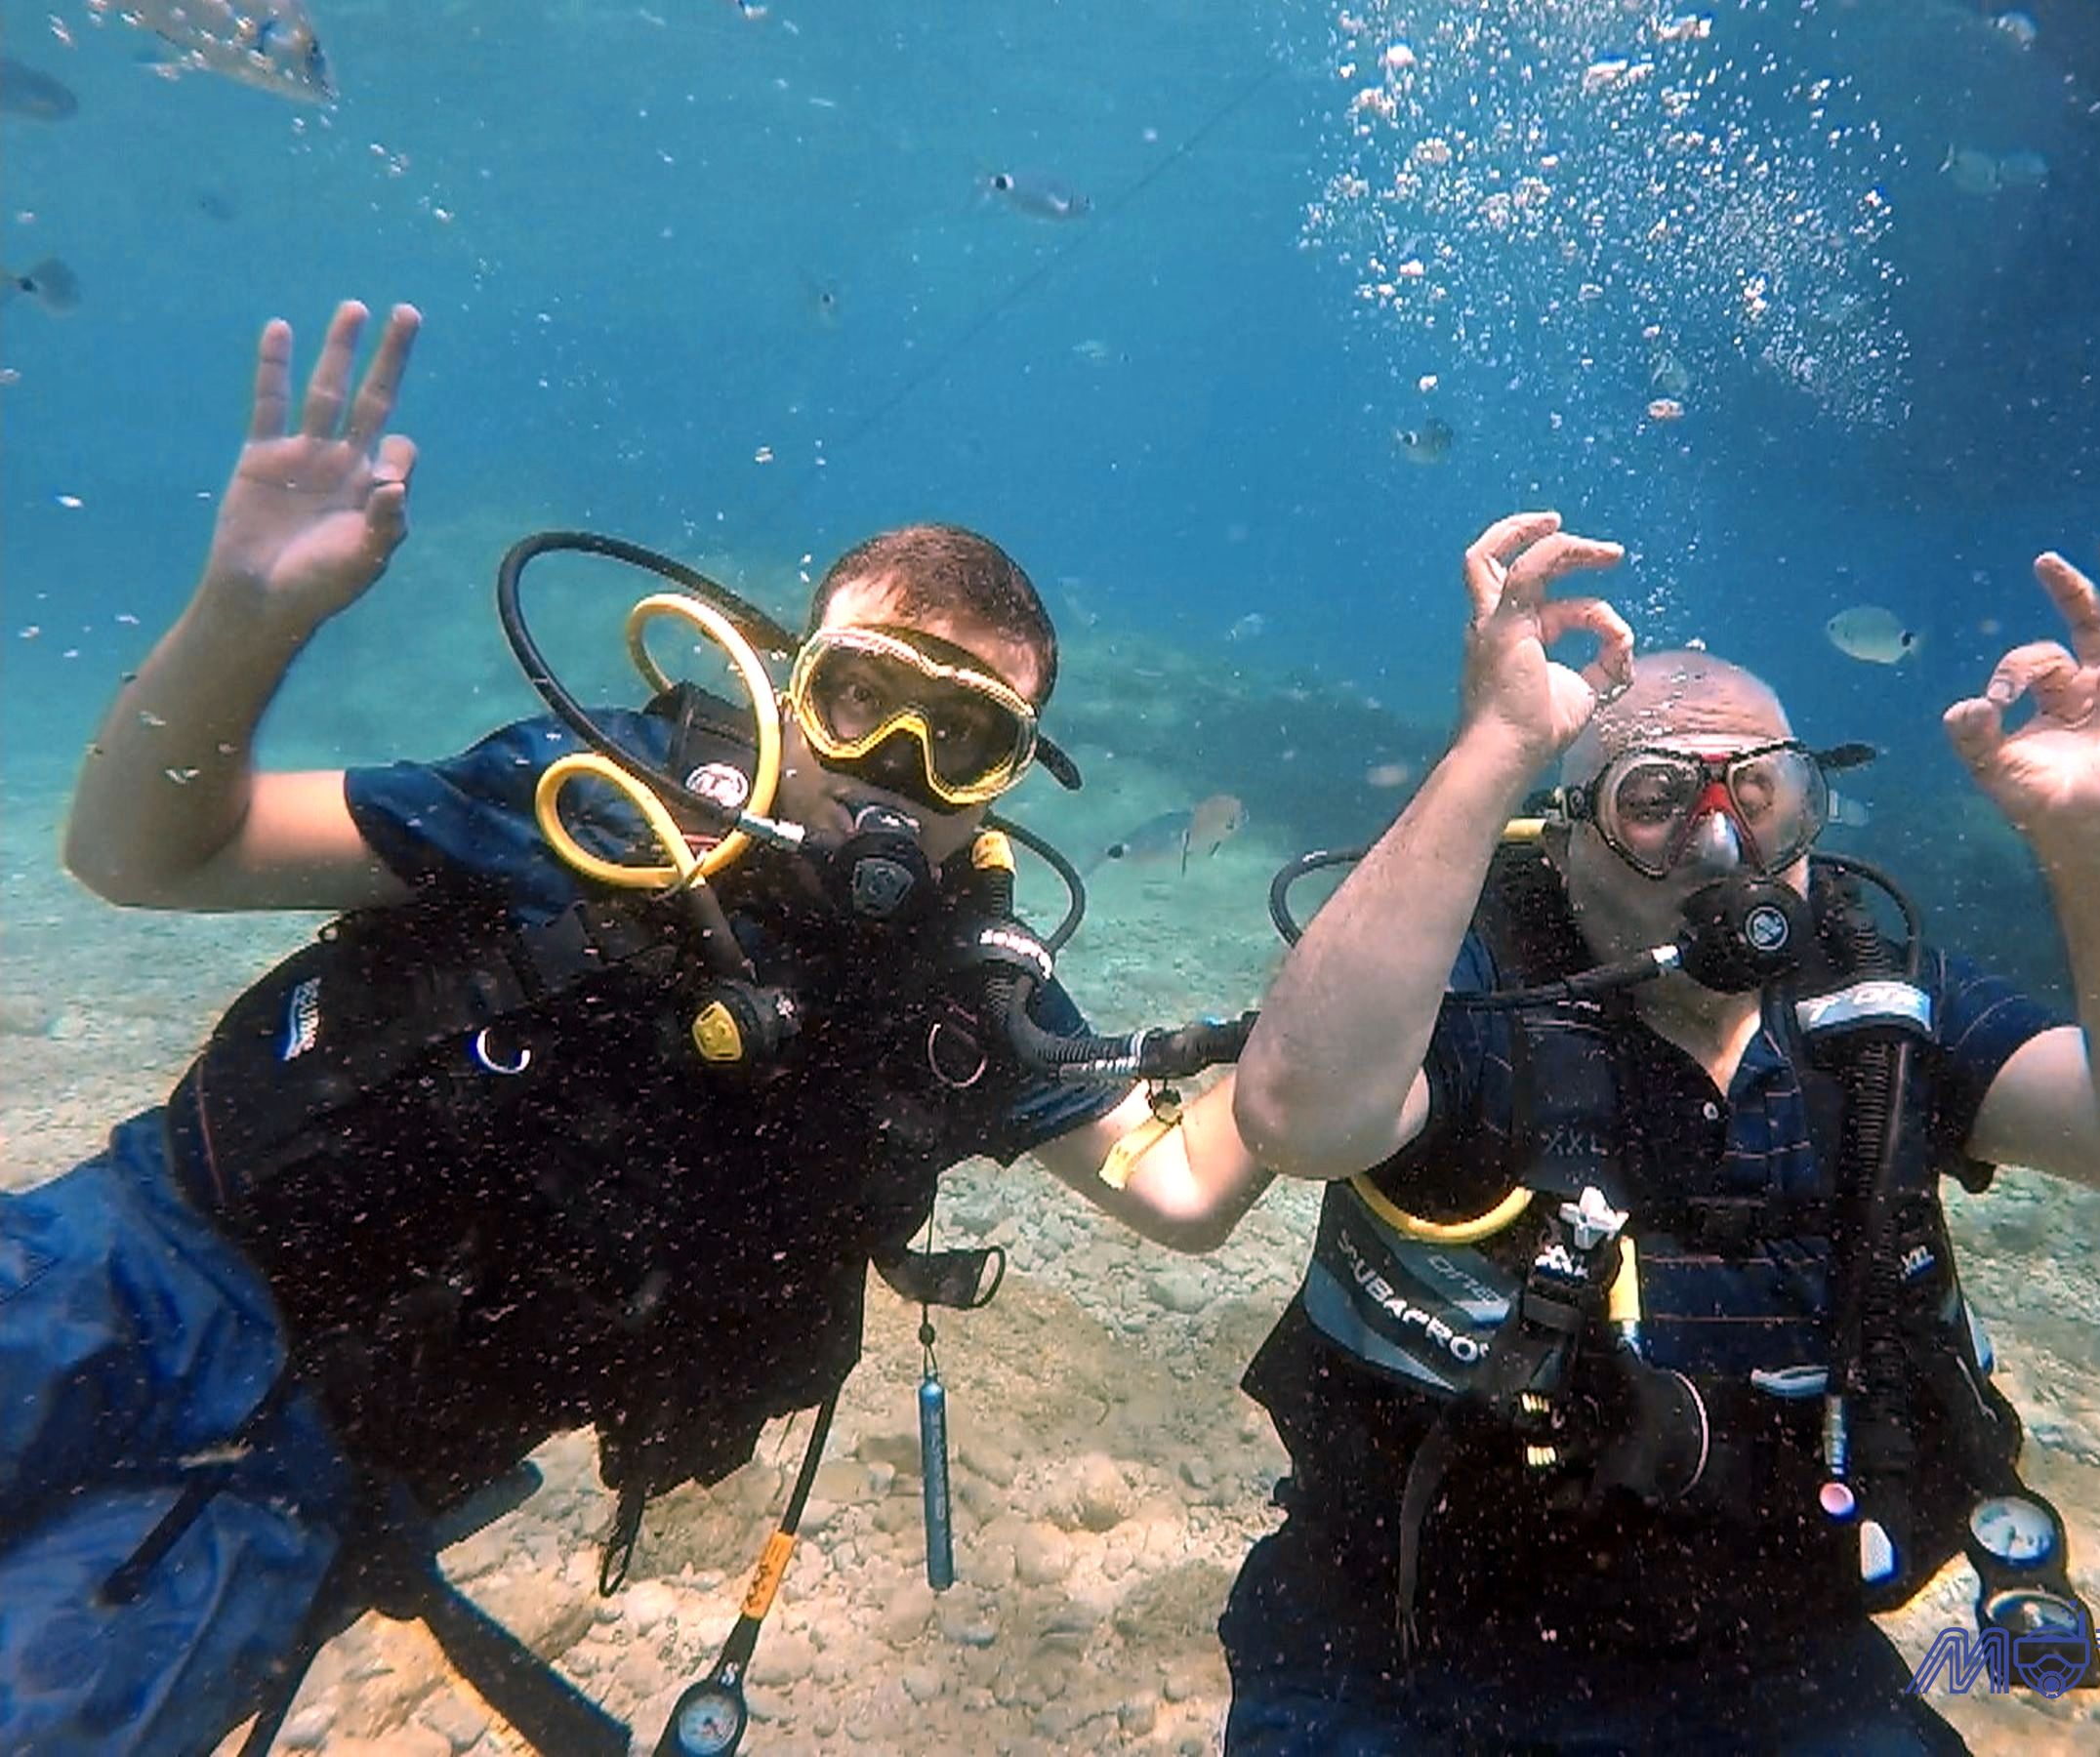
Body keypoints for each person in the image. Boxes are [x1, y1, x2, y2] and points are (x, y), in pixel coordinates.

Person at [0, 301, 1266, 1756]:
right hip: (139, 1258)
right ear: (789, 682)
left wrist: (1348, 999)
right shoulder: (587, 800)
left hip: (337, 1478)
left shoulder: (962, 999)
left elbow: (1184, 1189)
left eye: (963, 739)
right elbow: (141, 856)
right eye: (862, 698)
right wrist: (248, 612)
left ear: (1007, 778)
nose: (896, 771)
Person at [1218, 511, 2100, 1753]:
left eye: (1763, 792)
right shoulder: (1474, 985)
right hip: (1396, 1643)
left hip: (1775, 1659)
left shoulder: (1877, 1007)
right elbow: (1297, 1117)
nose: (1720, 844)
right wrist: (1495, 748)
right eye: (1656, 799)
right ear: (1566, 833)